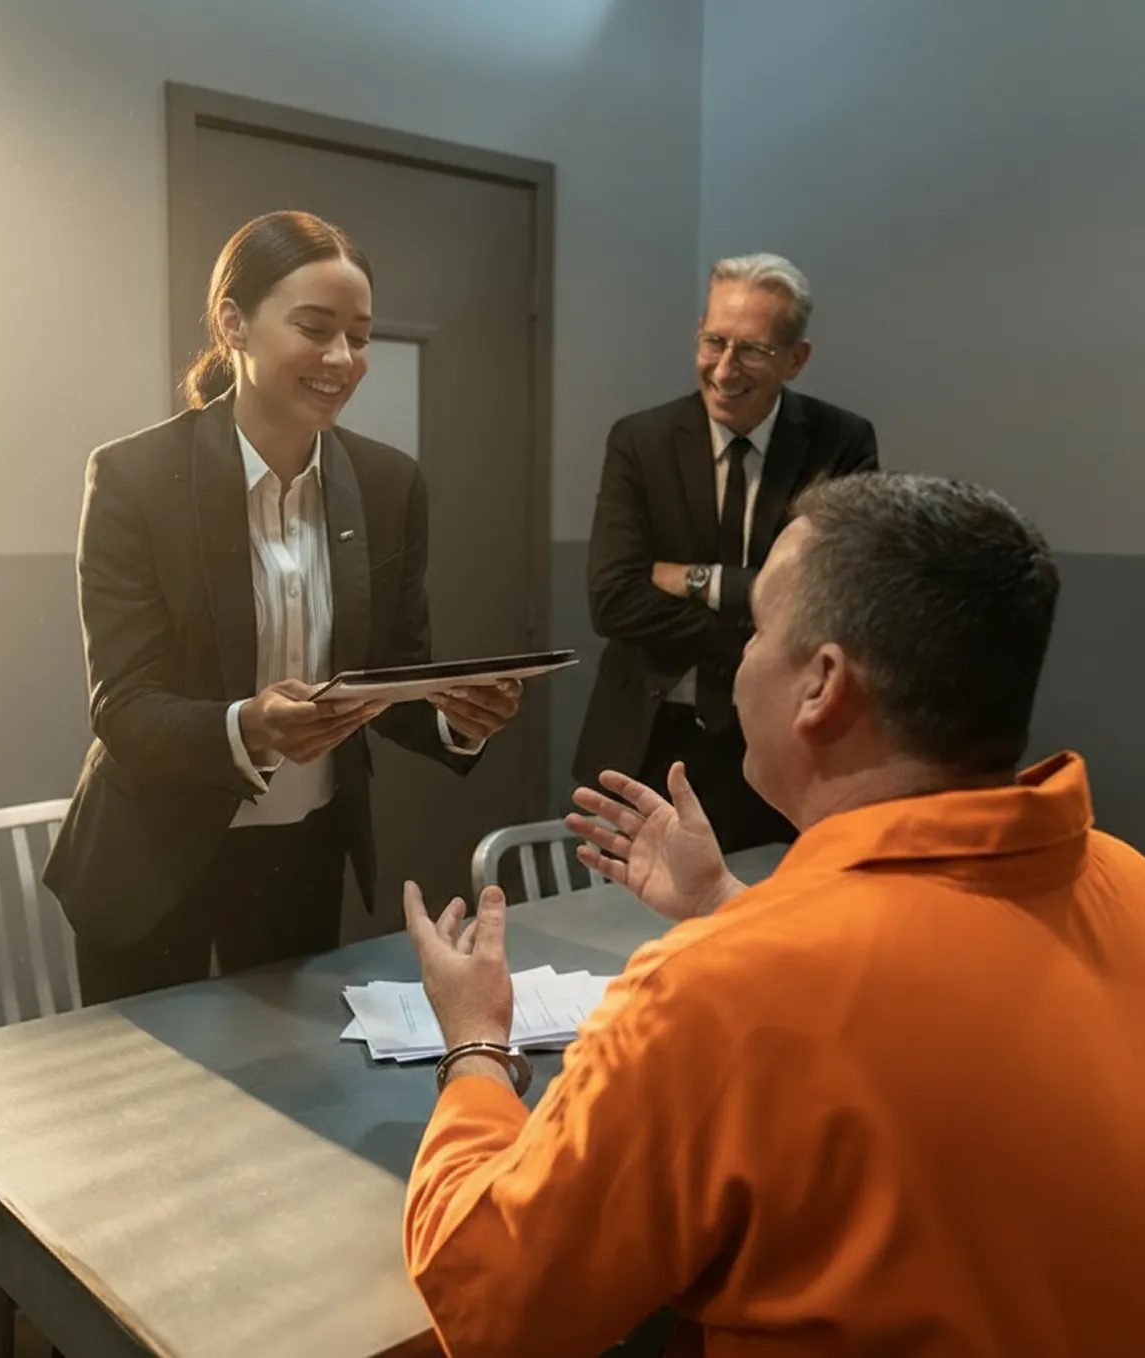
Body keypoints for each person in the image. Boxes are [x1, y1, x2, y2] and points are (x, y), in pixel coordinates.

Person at [401, 472, 1145, 1357]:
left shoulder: (717, 993)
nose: (742, 658)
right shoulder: (1121, 881)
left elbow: (494, 1307)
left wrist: (477, 1044)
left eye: (755, 631)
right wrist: (723, 905)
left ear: (821, 685)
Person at [45, 210, 521, 1004]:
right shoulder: (135, 477)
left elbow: (387, 673)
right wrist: (249, 725)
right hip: (152, 859)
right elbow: (124, 708)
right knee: (147, 1111)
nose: (341, 358)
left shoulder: (386, 483)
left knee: (285, 1092)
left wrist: (456, 717)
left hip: (300, 853)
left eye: (360, 336)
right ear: (233, 322)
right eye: (314, 328)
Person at [574, 253, 877, 853]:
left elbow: (839, 602)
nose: (724, 368)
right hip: (648, 741)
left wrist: (699, 581)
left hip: (781, 752)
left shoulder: (840, 443)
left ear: (796, 359)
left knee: (766, 926)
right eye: (714, 341)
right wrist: (763, 622)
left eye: (752, 351)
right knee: (630, 935)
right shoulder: (641, 441)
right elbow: (613, 601)